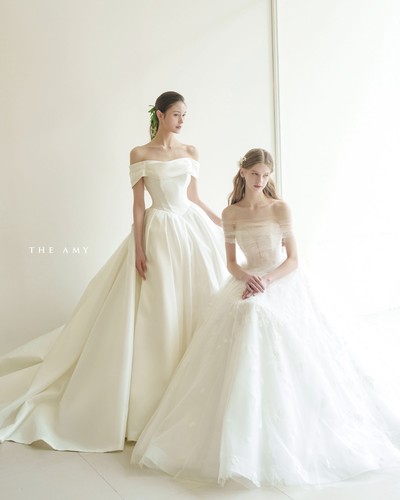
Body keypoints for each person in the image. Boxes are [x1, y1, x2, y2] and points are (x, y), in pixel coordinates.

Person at [131, 148, 400, 487]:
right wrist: (248, 278)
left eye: (266, 175)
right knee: (246, 312)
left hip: (281, 279)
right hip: (248, 280)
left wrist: (267, 281)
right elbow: (231, 263)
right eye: (255, 174)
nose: (261, 181)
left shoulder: (280, 208)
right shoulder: (230, 213)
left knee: (257, 312)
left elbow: (293, 260)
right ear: (243, 172)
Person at [0, 91, 227, 451]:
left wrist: (221, 222)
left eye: (185, 115)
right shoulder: (140, 154)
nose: (182, 121)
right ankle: (151, 402)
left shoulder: (190, 151)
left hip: (189, 229)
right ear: (160, 115)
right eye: (176, 115)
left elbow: (195, 198)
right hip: (159, 231)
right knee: (160, 310)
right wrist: (139, 247)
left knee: (198, 302)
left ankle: (193, 396)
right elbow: (138, 206)